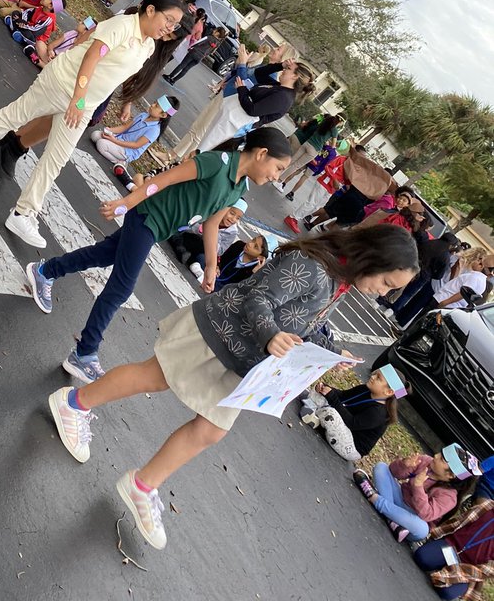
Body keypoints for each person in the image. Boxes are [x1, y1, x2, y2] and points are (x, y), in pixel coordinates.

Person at [46, 223, 418, 551]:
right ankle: (74, 403)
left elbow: (305, 322)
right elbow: (259, 297)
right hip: (219, 333)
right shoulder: (313, 265)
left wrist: (333, 350)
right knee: (154, 377)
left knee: (211, 430)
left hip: (245, 360)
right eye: (387, 283)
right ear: (372, 257)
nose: (383, 293)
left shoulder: (339, 279)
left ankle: (142, 486)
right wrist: (270, 333)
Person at [26, 127, 292, 382]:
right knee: (121, 288)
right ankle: (84, 352)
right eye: (278, 168)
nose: (276, 177)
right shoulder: (217, 163)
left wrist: (212, 265)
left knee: (103, 254)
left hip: (158, 228)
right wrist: (126, 203)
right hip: (147, 217)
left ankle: (44, 271)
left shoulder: (239, 187)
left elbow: (212, 223)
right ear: (261, 153)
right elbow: (164, 179)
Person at [0, 0, 184, 248]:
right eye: (169, 20)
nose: (170, 28)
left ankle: (23, 213)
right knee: (14, 116)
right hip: (61, 84)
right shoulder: (122, 25)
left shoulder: (148, 46)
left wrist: (86, 104)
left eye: (175, 24)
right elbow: (92, 57)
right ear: (150, 10)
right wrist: (79, 98)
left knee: (56, 159)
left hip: (82, 106)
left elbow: (113, 75)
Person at [355, 443, 479, 545]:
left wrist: (418, 487)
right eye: (440, 453)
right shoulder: (425, 461)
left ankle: (375, 499)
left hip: (411, 518)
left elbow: (426, 514)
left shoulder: (450, 497)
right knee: (381, 468)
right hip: (399, 498)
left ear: (450, 475)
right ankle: (392, 520)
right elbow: (393, 472)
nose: (435, 456)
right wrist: (404, 465)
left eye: (441, 459)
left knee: (422, 529)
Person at [197, 59, 314, 151]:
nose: (284, 70)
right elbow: (259, 73)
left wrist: (241, 88)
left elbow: (253, 110)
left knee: (205, 150)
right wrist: (280, 65)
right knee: (202, 147)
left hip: (233, 128)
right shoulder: (279, 87)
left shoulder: (284, 97)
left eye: (288, 69)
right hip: (229, 119)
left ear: (295, 76)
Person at [300, 363, 408, 463]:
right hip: (344, 425)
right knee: (321, 391)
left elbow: (351, 423)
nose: (373, 377)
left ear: (388, 392)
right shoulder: (365, 389)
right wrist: (326, 389)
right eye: (375, 374)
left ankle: (315, 418)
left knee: (331, 414)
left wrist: (331, 396)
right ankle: (313, 406)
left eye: (378, 378)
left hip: (350, 445)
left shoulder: (378, 413)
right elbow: (343, 396)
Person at [413, 491, 494, 599]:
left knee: (447, 593)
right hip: (451, 546)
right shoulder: (488, 507)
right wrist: (435, 535)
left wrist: (460, 571)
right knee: (421, 558)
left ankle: (444, 569)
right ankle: (441, 565)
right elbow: (457, 522)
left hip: (469, 567)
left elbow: (488, 569)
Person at [90, 97, 177, 171]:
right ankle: (114, 150)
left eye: (156, 106)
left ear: (163, 115)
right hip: (119, 139)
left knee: (101, 144)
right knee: (95, 135)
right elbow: (125, 127)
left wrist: (114, 140)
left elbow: (136, 145)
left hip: (128, 151)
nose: (152, 105)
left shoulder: (154, 130)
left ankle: (120, 162)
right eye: (154, 102)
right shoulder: (143, 115)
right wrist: (110, 130)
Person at [168, 204, 249, 277]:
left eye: (238, 218)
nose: (233, 219)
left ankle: (191, 259)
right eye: (232, 213)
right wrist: (201, 230)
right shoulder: (211, 213)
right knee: (178, 233)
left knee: (203, 257)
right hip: (190, 236)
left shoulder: (232, 232)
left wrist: (212, 236)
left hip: (205, 248)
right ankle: (183, 251)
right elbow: (191, 223)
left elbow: (220, 251)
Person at [279, 115, 345, 187]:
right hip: (314, 149)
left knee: (292, 160)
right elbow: (333, 145)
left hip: (307, 143)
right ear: (340, 121)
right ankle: (279, 179)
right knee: (296, 165)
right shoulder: (334, 130)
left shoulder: (324, 122)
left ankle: (277, 171)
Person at [162, 25, 228, 85]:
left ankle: (170, 76)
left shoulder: (209, 37)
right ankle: (174, 80)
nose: (213, 30)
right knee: (186, 69)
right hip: (200, 57)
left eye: (215, 30)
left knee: (182, 65)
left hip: (194, 52)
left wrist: (190, 47)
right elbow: (211, 52)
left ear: (217, 33)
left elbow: (199, 42)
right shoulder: (217, 44)